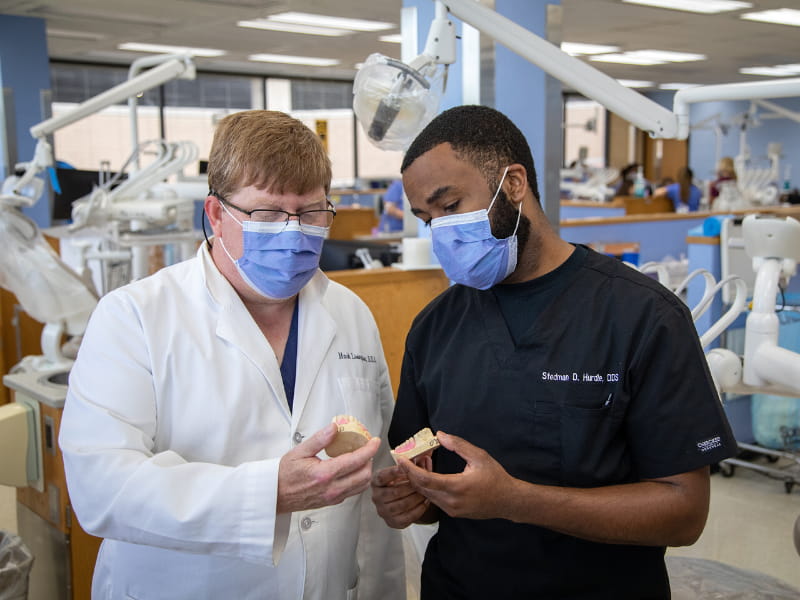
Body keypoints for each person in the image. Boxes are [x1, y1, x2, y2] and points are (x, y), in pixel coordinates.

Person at [371, 105, 736, 599]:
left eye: (451, 206)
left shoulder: (643, 317)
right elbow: (425, 476)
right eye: (426, 218)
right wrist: (412, 499)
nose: (441, 231)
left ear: (514, 183)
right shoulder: (434, 328)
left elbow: (684, 511)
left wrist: (516, 500)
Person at [59, 110, 405, 600]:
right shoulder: (135, 317)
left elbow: (373, 481)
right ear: (217, 214)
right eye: (266, 215)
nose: (293, 233)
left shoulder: (349, 313)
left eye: (310, 213)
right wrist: (269, 495)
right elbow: (102, 489)